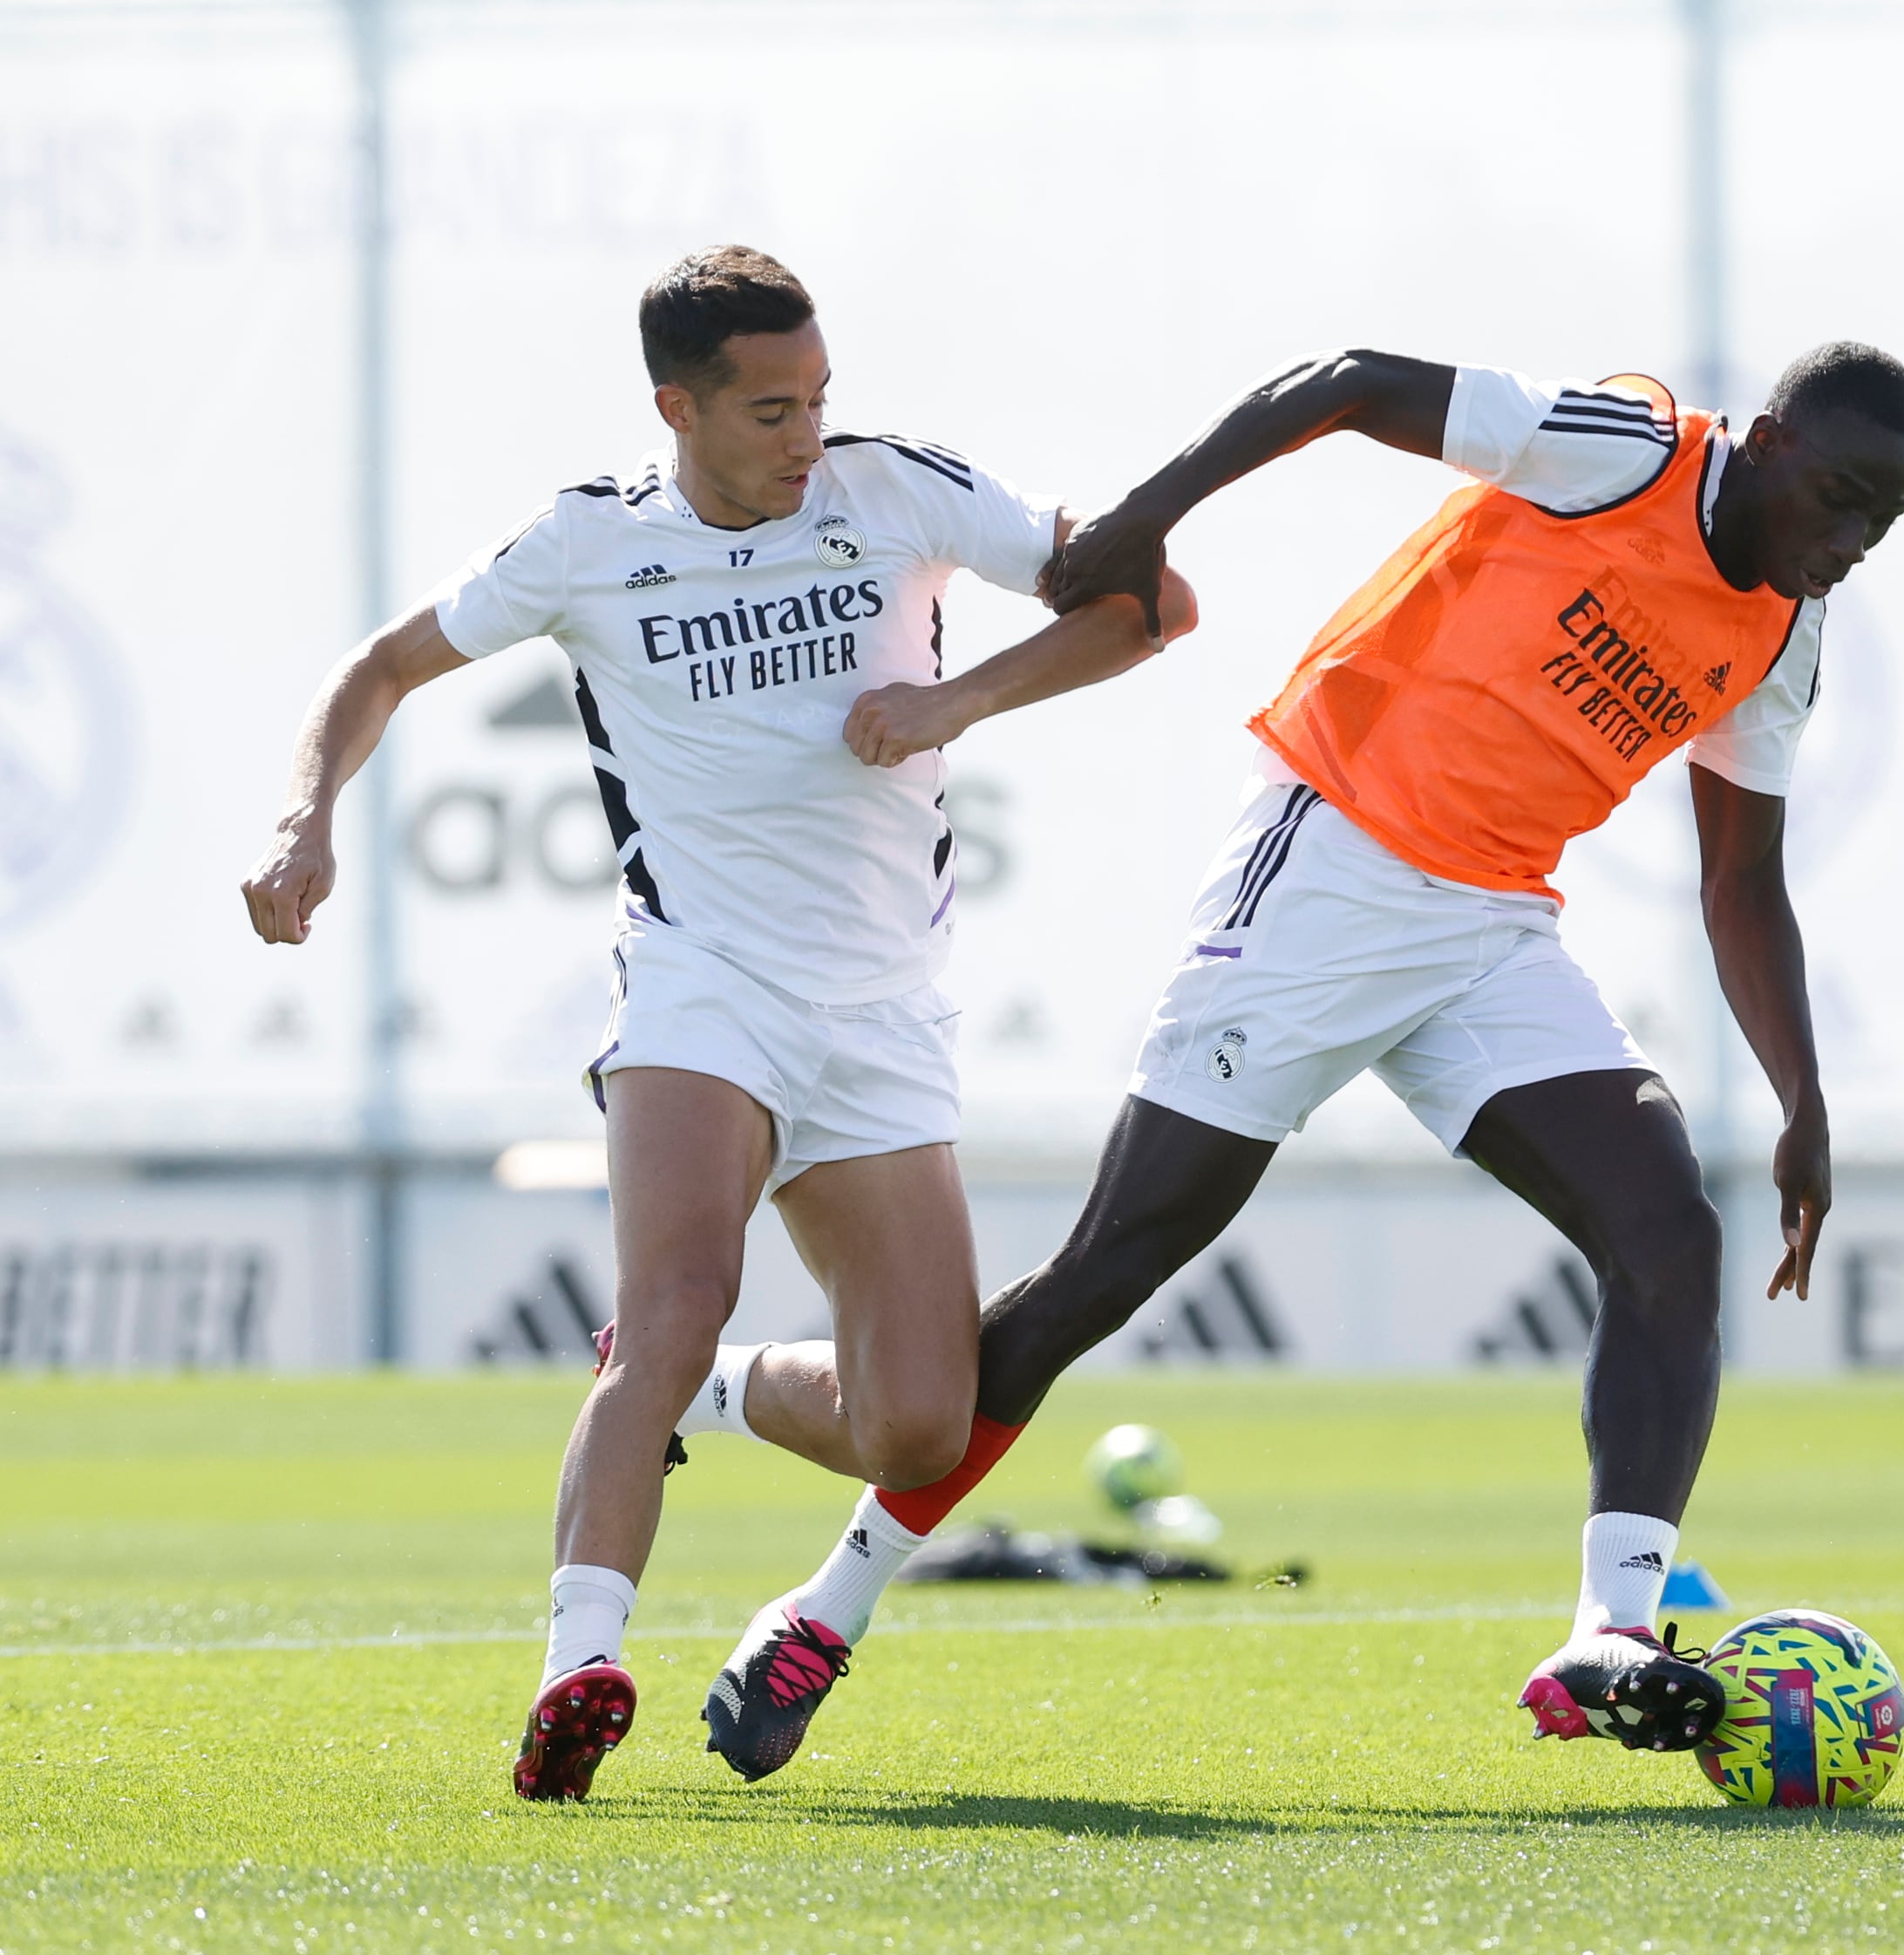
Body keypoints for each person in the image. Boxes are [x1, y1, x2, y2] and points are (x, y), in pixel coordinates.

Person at [766, 340, 1904, 1774]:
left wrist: (1801, 1098)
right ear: (1761, 442)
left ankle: (1610, 1633)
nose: (1853, 540)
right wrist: (1150, 514)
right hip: (1329, 865)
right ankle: (825, 1611)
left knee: (1667, 1231)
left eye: (1884, 520)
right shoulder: (1624, 451)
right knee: (1112, 1268)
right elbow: (1349, 383)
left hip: (1490, 927)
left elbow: (1741, 882)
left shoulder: (1783, 637)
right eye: (1839, 495)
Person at [238, 244, 1193, 1800]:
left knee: (911, 1425)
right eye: (767, 409)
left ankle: (718, 1387)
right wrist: (303, 824)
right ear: (674, 407)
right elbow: (381, 667)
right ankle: (579, 1668)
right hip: (699, 984)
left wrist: (956, 705)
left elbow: (1152, 603)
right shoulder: (585, 543)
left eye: (818, 396)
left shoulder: (897, 492)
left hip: (882, 1013)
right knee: (676, 1293)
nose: (805, 433)